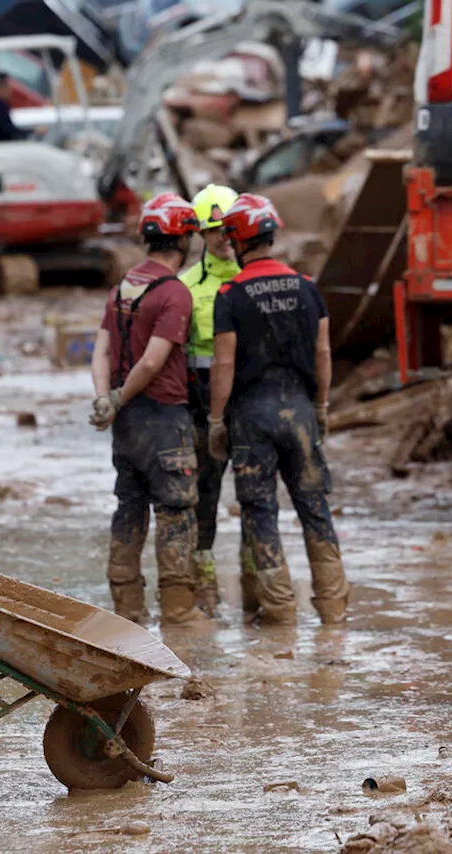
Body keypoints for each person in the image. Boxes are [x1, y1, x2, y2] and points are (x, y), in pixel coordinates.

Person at [207, 193, 349, 625]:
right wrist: (321, 405)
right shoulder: (308, 287)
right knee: (314, 506)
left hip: (252, 418)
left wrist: (216, 419)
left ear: (237, 239)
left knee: (260, 511)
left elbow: (224, 362)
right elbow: (323, 353)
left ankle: (282, 614)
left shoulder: (230, 294)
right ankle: (333, 610)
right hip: (301, 413)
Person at [89, 194, 205, 627]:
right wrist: (118, 398)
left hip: (127, 424)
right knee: (175, 513)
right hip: (162, 418)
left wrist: (106, 399)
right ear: (184, 239)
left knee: (129, 508)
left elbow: (101, 350)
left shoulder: (123, 286)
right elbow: (154, 361)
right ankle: (178, 612)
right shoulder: (174, 292)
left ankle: (128, 615)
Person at [178, 184, 250, 616]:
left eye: (230, 229)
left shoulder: (253, 281)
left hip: (250, 405)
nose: (224, 238)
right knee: (203, 498)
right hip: (202, 408)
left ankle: (256, 592)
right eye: (214, 231)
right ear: (200, 235)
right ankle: (204, 593)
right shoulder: (185, 287)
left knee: (256, 498)